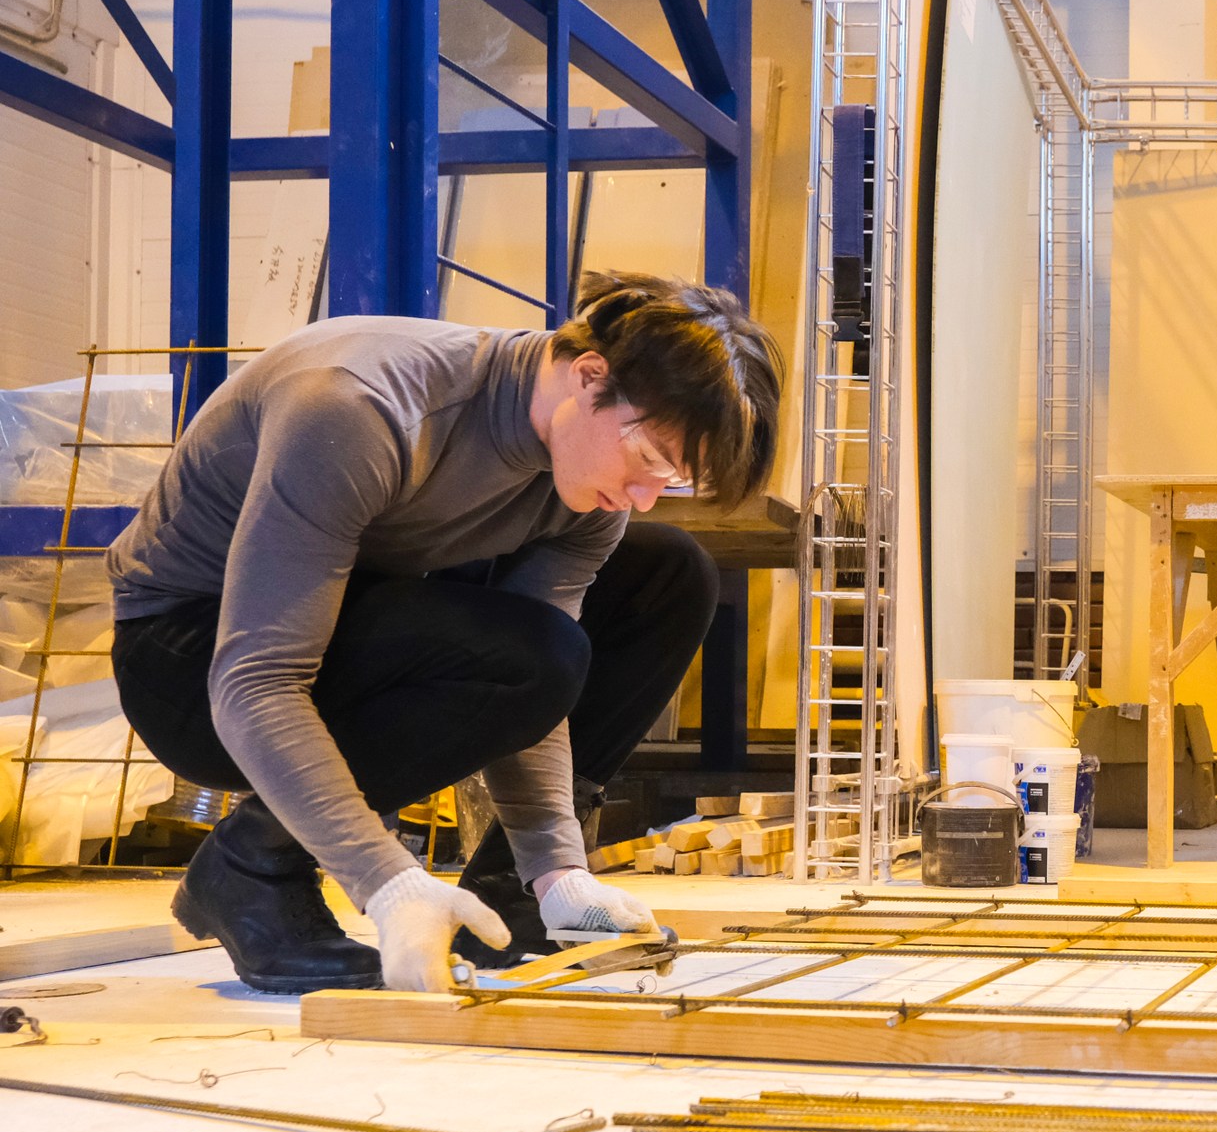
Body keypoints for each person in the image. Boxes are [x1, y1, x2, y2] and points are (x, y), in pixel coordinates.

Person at [107, 272, 780, 995]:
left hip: (348, 619)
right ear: (589, 377)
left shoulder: (587, 495)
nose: (644, 496)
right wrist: (388, 882)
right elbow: (255, 679)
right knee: (534, 654)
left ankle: (516, 896)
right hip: (192, 660)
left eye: (670, 479)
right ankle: (254, 868)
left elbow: (540, 693)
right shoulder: (359, 409)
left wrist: (558, 871)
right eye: (647, 459)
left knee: (667, 574)